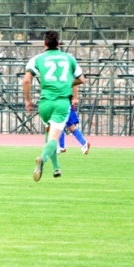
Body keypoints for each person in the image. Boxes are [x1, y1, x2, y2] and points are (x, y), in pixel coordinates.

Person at [23, 30, 85, 181]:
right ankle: (42, 160)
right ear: (58, 43)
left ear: (44, 43)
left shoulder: (37, 59)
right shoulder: (69, 58)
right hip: (61, 103)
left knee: (49, 135)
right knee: (54, 138)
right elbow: (81, 79)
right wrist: (65, 84)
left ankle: (56, 168)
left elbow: (26, 80)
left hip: (44, 103)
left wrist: (27, 100)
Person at [58, 84, 91, 155]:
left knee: (58, 124)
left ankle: (61, 146)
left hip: (64, 105)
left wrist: (75, 98)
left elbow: (74, 84)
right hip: (65, 104)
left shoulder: (66, 74)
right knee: (71, 128)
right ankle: (84, 144)